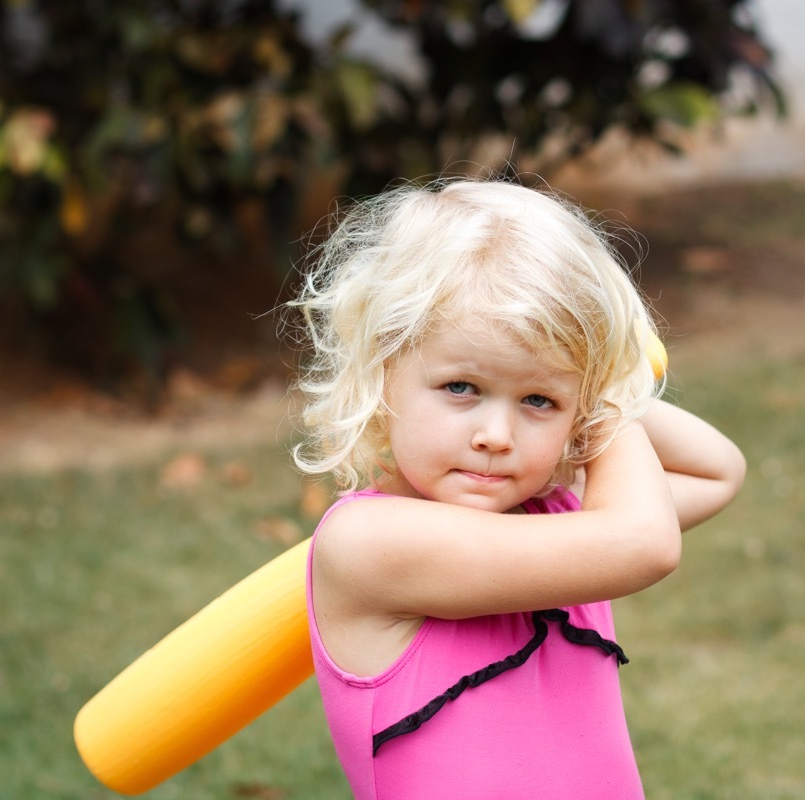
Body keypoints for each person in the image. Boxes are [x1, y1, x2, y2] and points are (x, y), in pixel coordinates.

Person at [288, 177, 745, 799]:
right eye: (461, 387)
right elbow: (646, 542)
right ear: (382, 368)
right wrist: (601, 395)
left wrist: (593, 386)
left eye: (537, 399)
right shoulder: (368, 542)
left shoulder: (559, 518)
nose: (497, 434)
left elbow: (717, 470)